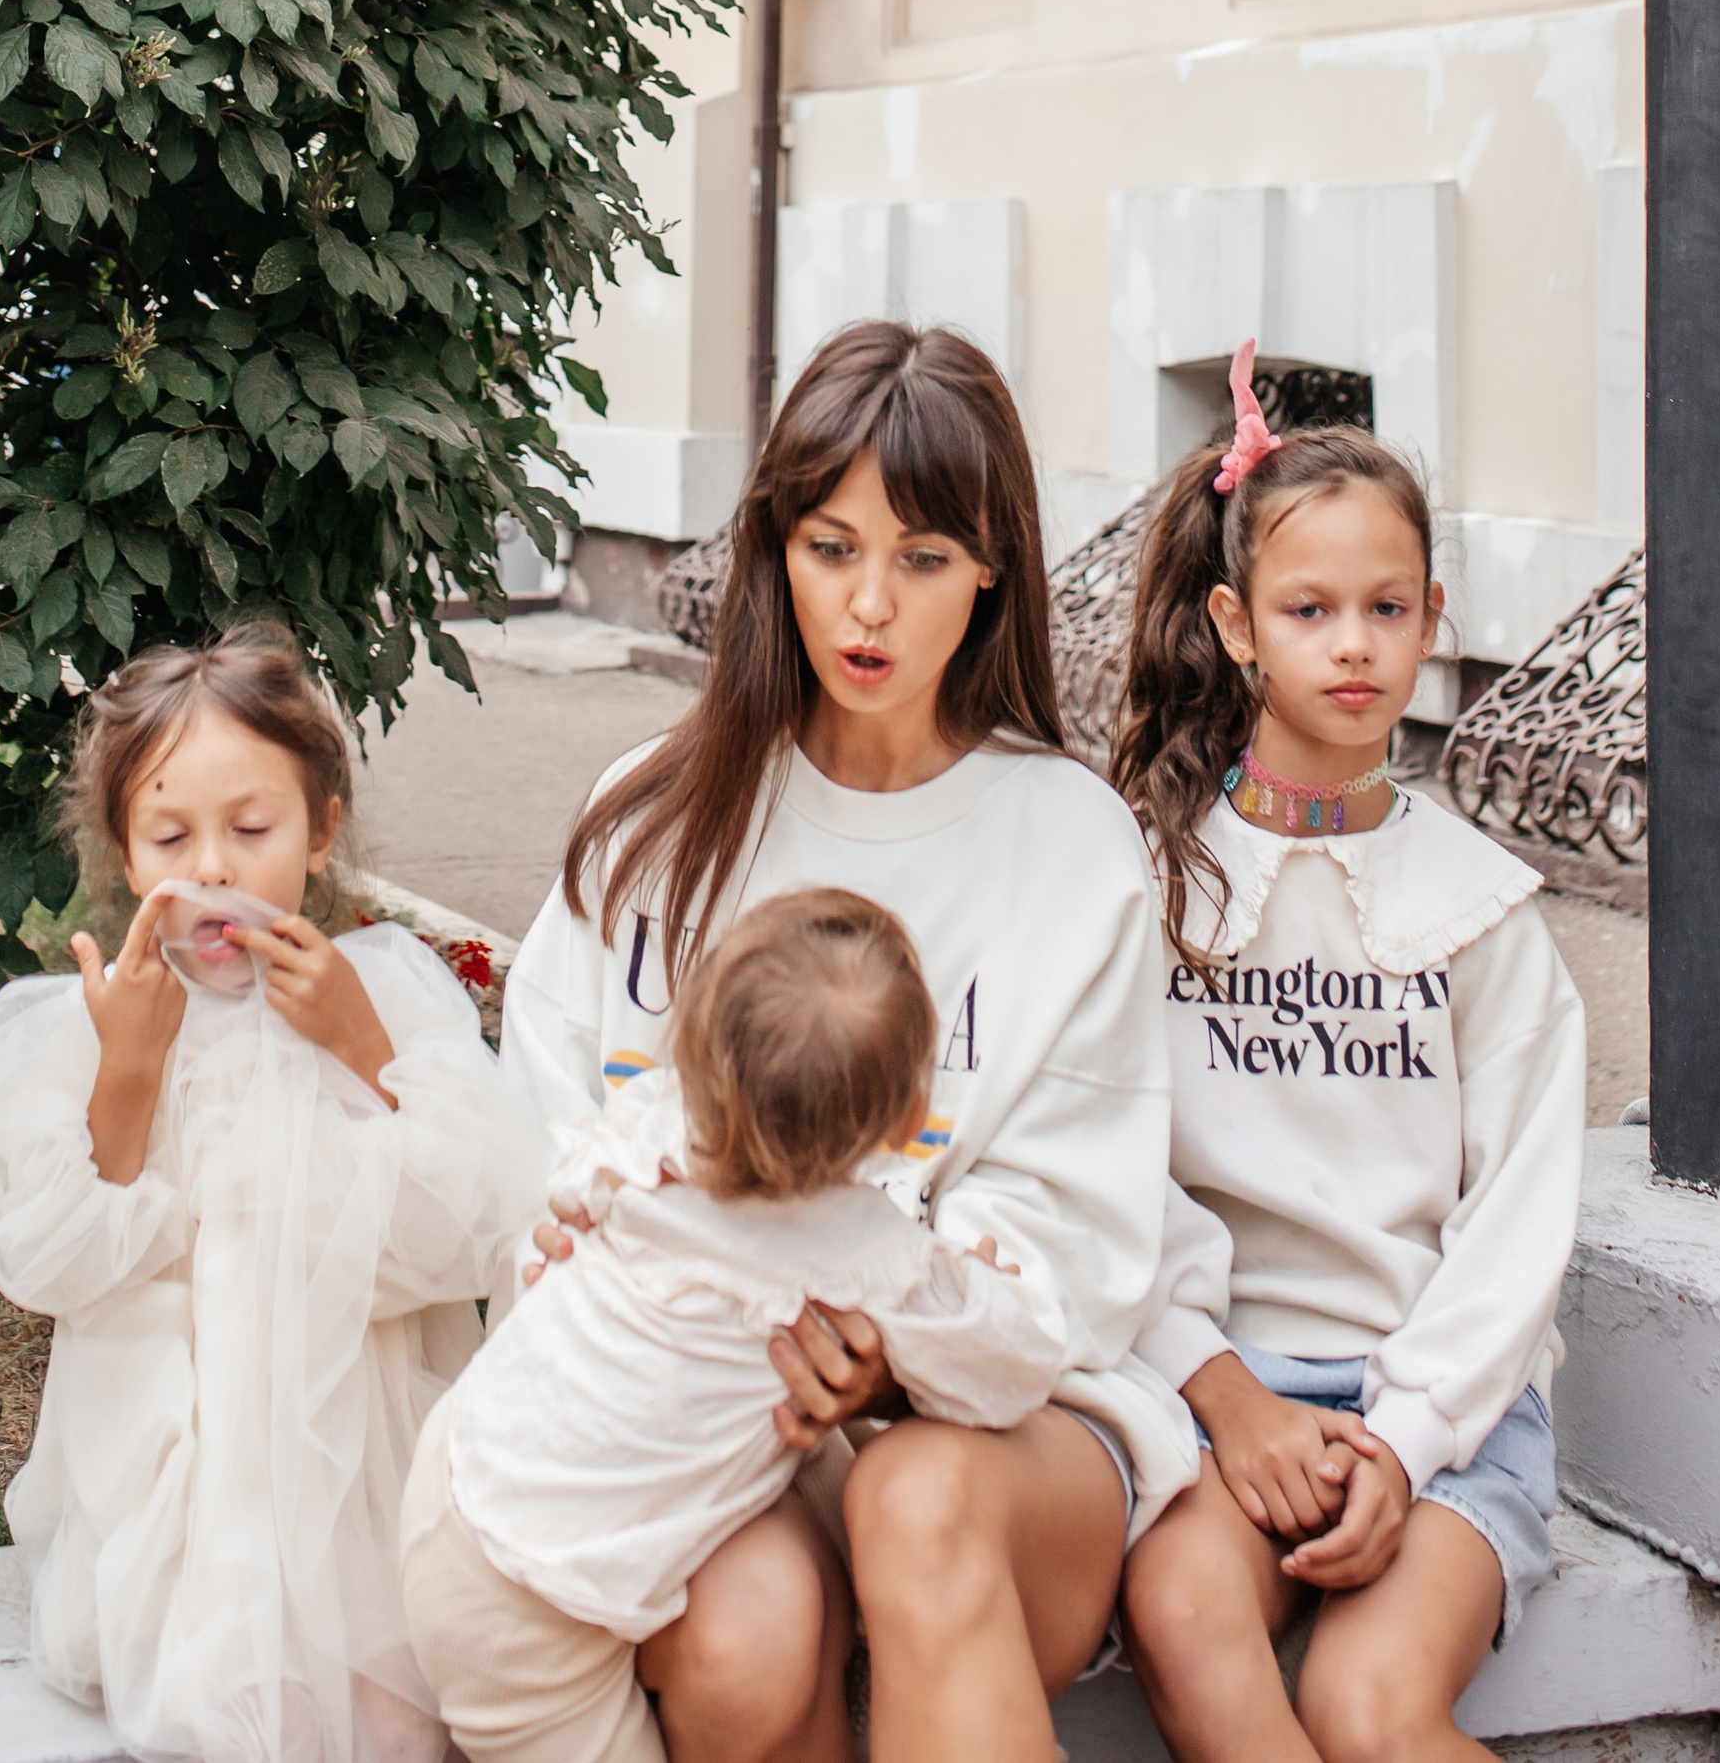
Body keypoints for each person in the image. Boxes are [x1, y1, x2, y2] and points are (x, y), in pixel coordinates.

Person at [501, 320, 1198, 1763]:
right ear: (773, 546)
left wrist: (890, 1340)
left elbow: (1071, 1227)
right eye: (832, 547)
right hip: (696, 1410)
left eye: (925, 559)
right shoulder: (654, 821)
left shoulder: (1068, 842)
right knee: (740, 1637)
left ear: (994, 565)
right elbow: (548, 1125)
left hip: (1010, 1431)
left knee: (912, 1497)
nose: (870, 603)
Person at [0, 627, 542, 1763]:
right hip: (183, 1498)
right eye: (170, 834)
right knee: (250, 1721)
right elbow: (66, 1262)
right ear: (121, 849)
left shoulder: (386, 993)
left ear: (321, 829)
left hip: (363, 1477)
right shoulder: (94, 1028)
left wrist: (360, 1050)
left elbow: (467, 1234)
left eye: (252, 830)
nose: (213, 869)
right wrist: (132, 1068)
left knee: (404, 1726)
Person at [1111, 347, 1587, 1763]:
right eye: (1310, 609)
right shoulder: (1149, 888)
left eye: (1388, 609)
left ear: (1436, 618)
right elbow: (1106, 1171)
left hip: (1442, 1408)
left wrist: (1409, 1438)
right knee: (1186, 1610)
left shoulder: (1487, 914)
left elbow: (1519, 1226)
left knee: (1366, 1707)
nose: (1355, 645)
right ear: (1236, 623)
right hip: (1217, 1394)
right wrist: (1227, 1394)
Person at [403, 888, 1075, 1763]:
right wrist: (984, 1283)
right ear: (913, 1125)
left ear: (690, 1049)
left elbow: (572, 1199)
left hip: (465, 1472)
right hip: (531, 1611)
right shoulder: (862, 1259)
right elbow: (1013, 1367)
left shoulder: (652, 1129)